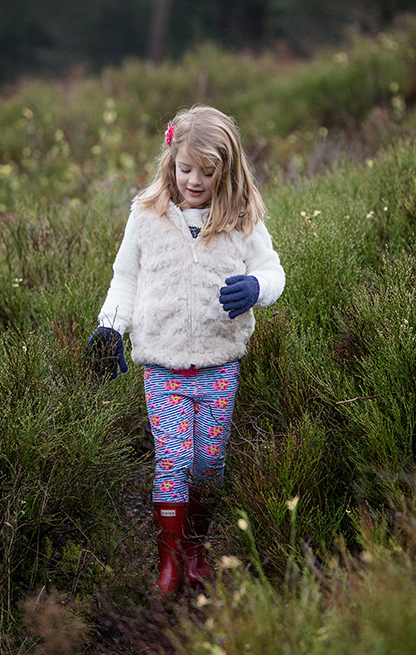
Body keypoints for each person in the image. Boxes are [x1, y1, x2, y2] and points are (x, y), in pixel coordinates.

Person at [87, 105, 285, 595]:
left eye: (208, 171)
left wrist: (256, 287)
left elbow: (274, 272)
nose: (194, 180)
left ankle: (195, 550)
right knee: (172, 463)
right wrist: (111, 326)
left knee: (208, 467)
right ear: (170, 162)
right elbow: (125, 278)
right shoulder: (147, 215)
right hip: (163, 366)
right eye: (185, 168)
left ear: (227, 169)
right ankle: (169, 565)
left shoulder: (242, 218)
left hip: (219, 365)